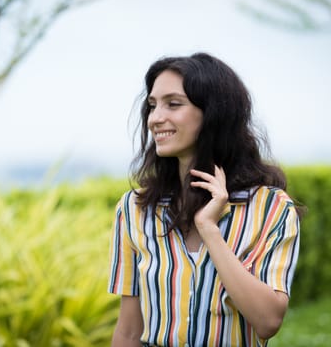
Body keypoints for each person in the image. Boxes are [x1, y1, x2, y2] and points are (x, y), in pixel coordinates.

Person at [107, 52, 301, 347]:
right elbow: (129, 331)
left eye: (173, 104)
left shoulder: (271, 207)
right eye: (152, 105)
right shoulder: (134, 209)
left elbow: (268, 322)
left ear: (213, 113)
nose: (156, 118)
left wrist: (209, 229)